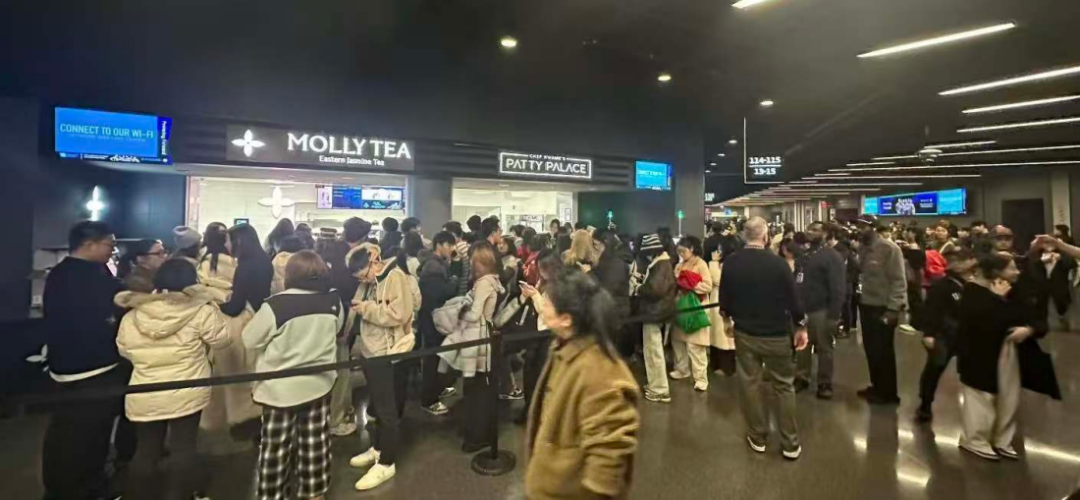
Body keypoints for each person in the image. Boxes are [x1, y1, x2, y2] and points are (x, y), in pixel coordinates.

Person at [115, 259, 230, 500]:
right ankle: (179, 495)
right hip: (187, 388)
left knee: (146, 450)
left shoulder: (133, 315)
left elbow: (124, 350)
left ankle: (137, 495)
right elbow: (222, 339)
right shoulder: (201, 311)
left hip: (145, 390)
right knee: (183, 448)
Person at [524, 269, 640, 499]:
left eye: (547, 303)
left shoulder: (600, 373)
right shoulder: (565, 348)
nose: (542, 307)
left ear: (566, 319)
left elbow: (608, 462)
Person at [41, 221, 131, 500]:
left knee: (87, 431)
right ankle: (76, 489)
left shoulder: (74, 272)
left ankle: (87, 484)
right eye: (109, 244)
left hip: (82, 366)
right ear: (89, 244)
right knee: (83, 434)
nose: (113, 250)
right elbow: (106, 308)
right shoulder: (76, 276)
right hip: (89, 369)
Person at [243, 251, 342, 499]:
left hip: (279, 390)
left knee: (276, 447)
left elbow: (250, 340)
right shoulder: (333, 300)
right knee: (315, 441)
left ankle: (273, 493)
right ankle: (314, 491)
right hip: (319, 383)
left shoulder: (276, 305)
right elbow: (338, 328)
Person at [956, 251, 1060, 461]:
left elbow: (1031, 317)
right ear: (996, 271)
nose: (1016, 272)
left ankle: (1002, 439)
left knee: (1009, 397)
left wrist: (1029, 330)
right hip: (979, 353)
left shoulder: (1015, 290)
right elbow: (983, 323)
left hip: (1009, 350)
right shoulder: (972, 291)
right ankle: (975, 439)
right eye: (1011, 268)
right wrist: (997, 299)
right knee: (981, 397)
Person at [720, 217, 808, 459]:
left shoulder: (731, 262)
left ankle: (757, 436)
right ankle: (790, 444)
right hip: (777, 334)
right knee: (784, 386)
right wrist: (801, 327)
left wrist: (727, 322)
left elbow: (725, 297)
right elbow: (794, 299)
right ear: (765, 236)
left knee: (750, 384)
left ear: (743, 236)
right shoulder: (778, 264)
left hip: (745, 333)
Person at [347, 243, 418, 490]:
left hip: (387, 353)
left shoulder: (395, 276)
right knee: (377, 406)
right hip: (371, 351)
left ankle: (387, 462)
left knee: (387, 410)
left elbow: (400, 313)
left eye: (363, 275)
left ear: (374, 262)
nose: (363, 280)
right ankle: (378, 448)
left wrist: (366, 309)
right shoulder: (371, 280)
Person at [196, 222, 262, 434]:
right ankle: (244, 417)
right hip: (248, 321)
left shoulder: (204, 263)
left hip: (226, 321)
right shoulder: (251, 262)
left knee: (224, 371)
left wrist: (216, 302)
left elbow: (234, 305)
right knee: (245, 370)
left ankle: (225, 418)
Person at [441, 243, 504, 452]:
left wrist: (459, 313)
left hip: (479, 338)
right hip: (483, 336)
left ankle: (478, 435)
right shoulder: (491, 280)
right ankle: (479, 432)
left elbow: (476, 314)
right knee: (479, 388)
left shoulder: (484, 282)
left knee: (478, 389)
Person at [914, 247, 976, 423]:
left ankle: (975, 408)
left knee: (971, 373)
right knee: (934, 369)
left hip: (965, 335)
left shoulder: (973, 284)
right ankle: (925, 404)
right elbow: (932, 311)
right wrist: (929, 334)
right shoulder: (942, 285)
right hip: (944, 335)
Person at [855, 214, 908, 405]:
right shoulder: (862, 248)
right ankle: (877, 386)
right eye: (858, 226)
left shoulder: (889, 249)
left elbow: (898, 281)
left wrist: (893, 309)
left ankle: (889, 393)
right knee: (871, 349)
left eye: (863, 227)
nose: (860, 230)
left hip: (883, 307)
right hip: (866, 305)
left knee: (883, 351)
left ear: (874, 228)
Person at [794, 221, 846, 399]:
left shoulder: (832, 257)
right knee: (802, 346)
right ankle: (802, 377)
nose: (810, 232)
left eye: (815, 230)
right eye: (809, 229)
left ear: (825, 234)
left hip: (822, 311)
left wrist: (834, 315)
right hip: (803, 310)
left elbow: (838, 288)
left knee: (824, 348)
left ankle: (824, 382)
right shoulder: (804, 255)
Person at [417, 231, 461, 416]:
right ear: (440, 245)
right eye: (450, 245)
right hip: (432, 320)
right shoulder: (433, 266)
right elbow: (441, 292)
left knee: (437, 357)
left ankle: (437, 389)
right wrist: (454, 279)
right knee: (432, 359)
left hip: (434, 318)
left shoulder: (434, 263)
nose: (452, 249)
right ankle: (429, 400)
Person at [633, 234, 677, 403]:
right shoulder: (663, 263)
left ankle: (659, 389)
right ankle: (655, 385)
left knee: (653, 352)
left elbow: (655, 290)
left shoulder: (660, 265)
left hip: (654, 313)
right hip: (659, 312)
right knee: (653, 351)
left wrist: (639, 288)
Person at [669, 235, 714, 392]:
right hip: (680, 306)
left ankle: (701, 378)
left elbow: (708, 285)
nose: (681, 254)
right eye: (679, 252)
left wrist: (689, 284)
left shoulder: (701, 264)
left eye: (683, 251)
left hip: (696, 307)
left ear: (692, 249)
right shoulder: (679, 265)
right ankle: (682, 369)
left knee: (696, 346)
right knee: (678, 341)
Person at [221, 224, 273, 318]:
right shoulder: (264, 259)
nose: (225, 244)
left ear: (238, 242)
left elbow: (235, 308)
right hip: (262, 311)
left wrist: (217, 306)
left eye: (227, 240)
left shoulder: (245, 268)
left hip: (250, 315)